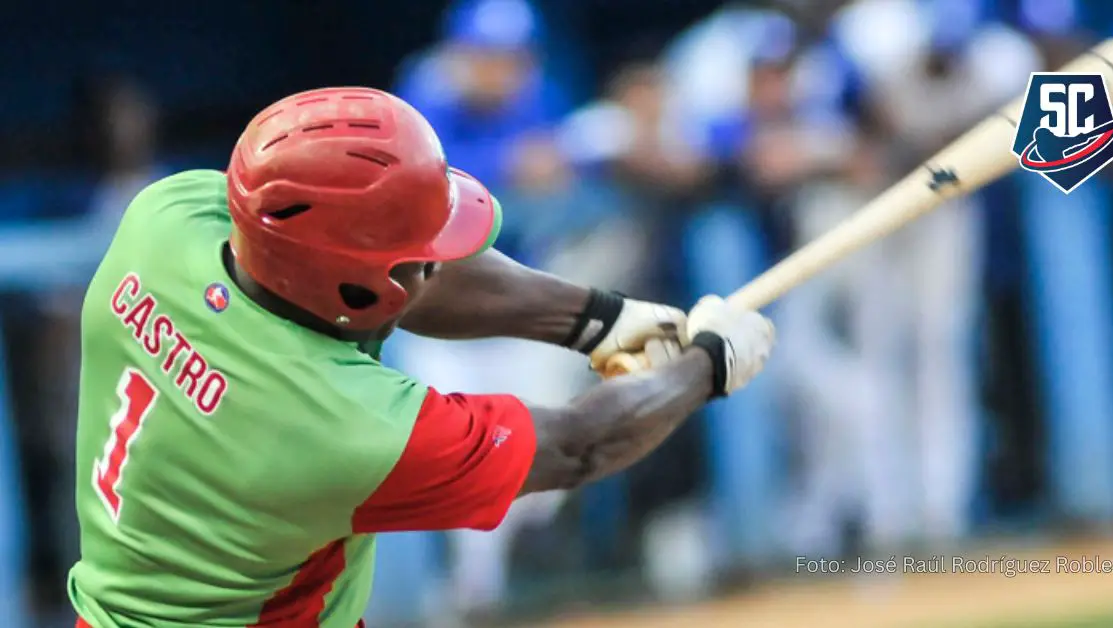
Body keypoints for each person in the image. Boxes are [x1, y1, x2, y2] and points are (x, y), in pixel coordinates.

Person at [68, 86, 775, 628]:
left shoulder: (166, 224)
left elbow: (394, 282)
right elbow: (578, 446)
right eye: (415, 259)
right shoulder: (342, 429)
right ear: (351, 281)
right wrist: (706, 366)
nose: (431, 268)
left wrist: (598, 319)